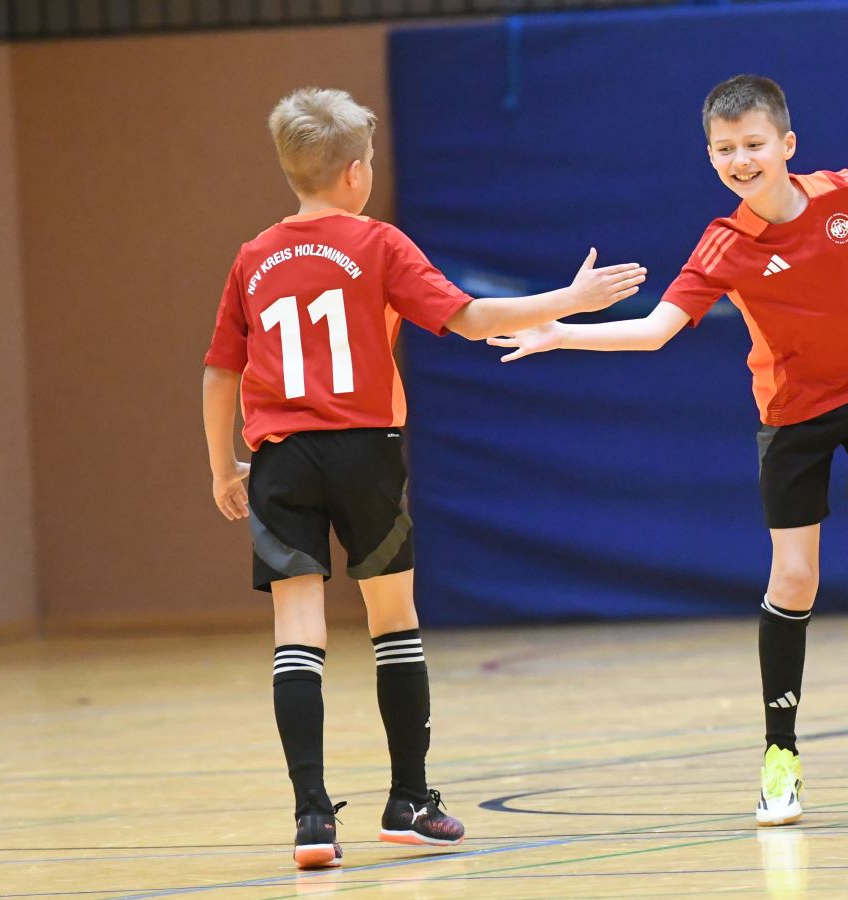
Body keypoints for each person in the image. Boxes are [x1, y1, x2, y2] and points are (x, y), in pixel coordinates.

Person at [488, 74, 848, 827]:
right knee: (795, 578)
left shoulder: (842, 195)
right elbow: (657, 329)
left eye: (753, 145)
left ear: (787, 146)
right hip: (793, 418)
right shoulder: (724, 246)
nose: (740, 159)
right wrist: (561, 330)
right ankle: (780, 757)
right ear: (711, 156)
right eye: (725, 150)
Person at [201, 87, 647, 867]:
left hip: (279, 460)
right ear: (353, 174)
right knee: (393, 625)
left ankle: (312, 819)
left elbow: (217, 372)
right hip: (365, 453)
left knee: (297, 638)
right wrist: (569, 303)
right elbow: (471, 318)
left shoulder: (252, 256)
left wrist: (220, 468)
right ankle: (409, 798)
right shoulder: (378, 244)